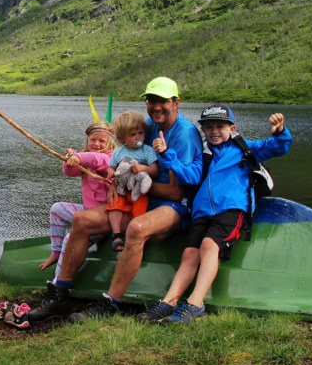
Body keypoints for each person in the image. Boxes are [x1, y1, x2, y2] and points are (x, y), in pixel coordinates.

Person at [25, 77, 203, 323]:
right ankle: (60, 293)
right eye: (151, 100)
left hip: (173, 206)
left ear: (176, 103)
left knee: (137, 228)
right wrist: (117, 183)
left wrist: (129, 185)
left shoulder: (184, 134)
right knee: (82, 219)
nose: (156, 106)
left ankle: (110, 302)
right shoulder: (147, 126)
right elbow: (119, 156)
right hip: (139, 198)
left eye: (162, 101)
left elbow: (175, 193)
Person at [136, 104, 292, 324]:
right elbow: (189, 175)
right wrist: (166, 154)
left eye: (220, 126)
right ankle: (169, 302)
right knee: (189, 254)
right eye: (209, 127)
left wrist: (279, 132)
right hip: (201, 212)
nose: (214, 131)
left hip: (232, 209)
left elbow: (276, 147)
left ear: (233, 128)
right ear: (203, 130)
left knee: (209, 245)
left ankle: (196, 303)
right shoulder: (205, 154)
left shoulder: (244, 147)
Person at [39, 121, 117, 274]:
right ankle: (56, 251)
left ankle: (57, 281)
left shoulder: (112, 159)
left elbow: (97, 160)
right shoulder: (86, 159)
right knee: (56, 209)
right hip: (87, 213)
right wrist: (69, 160)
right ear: (87, 141)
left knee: (71, 238)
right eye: (93, 140)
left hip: (106, 218)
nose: (97, 143)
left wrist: (79, 157)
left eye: (102, 141)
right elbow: (71, 172)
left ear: (110, 143)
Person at [105, 111, 158, 251]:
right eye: (133, 135)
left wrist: (142, 168)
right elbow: (111, 166)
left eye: (140, 133)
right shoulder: (119, 152)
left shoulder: (147, 150)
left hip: (139, 189)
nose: (138, 137)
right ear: (122, 138)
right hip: (122, 188)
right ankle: (116, 234)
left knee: (139, 210)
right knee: (114, 206)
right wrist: (111, 172)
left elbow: (155, 169)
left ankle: (135, 236)